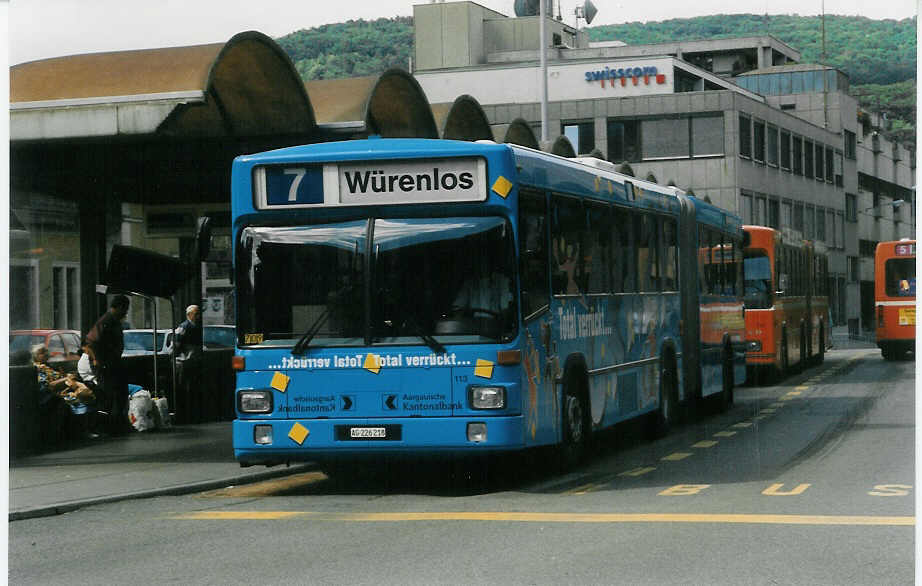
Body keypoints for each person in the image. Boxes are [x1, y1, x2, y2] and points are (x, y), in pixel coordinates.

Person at [32, 344, 96, 441]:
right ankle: (81, 432)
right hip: (52, 394)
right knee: (77, 399)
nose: (45, 354)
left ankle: (84, 430)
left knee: (86, 394)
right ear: (35, 356)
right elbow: (48, 386)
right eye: (42, 352)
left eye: (46, 351)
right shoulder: (38, 368)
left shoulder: (51, 366)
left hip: (64, 390)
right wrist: (67, 379)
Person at [87, 294, 130, 434]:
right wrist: (97, 360)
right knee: (108, 394)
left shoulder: (115, 321)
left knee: (120, 392)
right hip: (105, 365)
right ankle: (106, 427)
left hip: (113, 363)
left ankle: (117, 425)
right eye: (125, 309)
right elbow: (90, 342)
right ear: (117, 307)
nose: (126, 312)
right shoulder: (105, 321)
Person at [174, 304, 203, 423]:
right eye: (196, 314)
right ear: (189, 314)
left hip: (192, 362)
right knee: (185, 389)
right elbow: (176, 343)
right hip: (185, 362)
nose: (198, 316)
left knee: (191, 388)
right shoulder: (184, 327)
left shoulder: (195, 327)